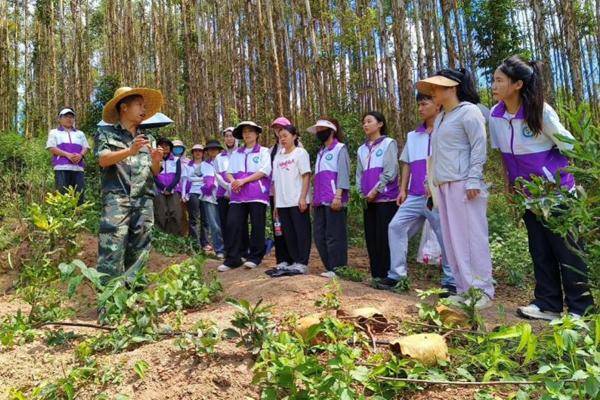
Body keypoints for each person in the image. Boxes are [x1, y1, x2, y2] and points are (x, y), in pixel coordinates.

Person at [489, 55, 594, 319]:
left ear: (517, 85)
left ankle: (582, 308)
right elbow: (504, 156)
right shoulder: (496, 115)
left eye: (499, 80)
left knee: (568, 252)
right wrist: (510, 188)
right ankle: (548, 304)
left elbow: (570, 146)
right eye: (493, 80)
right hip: (528, 197)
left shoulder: (540, 111)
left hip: (557, 195)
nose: (493, 85)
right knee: (540, 250)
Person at [416, 68, 494, 309]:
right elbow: (438, 154)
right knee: (452, 240)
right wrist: (433, 182)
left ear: (452, 88)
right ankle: (463, 289)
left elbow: (479, 147)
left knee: (471, 238)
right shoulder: (441, 117)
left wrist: (473, 180)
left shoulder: (469, 112)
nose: (433, 93)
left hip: (464, 184)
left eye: (437, 88)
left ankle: (481, 291)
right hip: (445, 184)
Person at [377, 94, 456, 294]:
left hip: (437, 196)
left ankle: (451, 280)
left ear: (438, 104)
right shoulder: (414, 136)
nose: (420, 108)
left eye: (424, 104)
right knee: (396, 226)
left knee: (444, 234)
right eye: (418, 104)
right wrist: (403, 189)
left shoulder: (447, 129)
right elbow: (407, 164)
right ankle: (397, 276)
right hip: (415, 194)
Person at [94, 86, 164, 282]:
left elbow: (154, 171)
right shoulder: (106, 133)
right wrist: (129, 151)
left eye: (144, 106)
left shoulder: (148, 138)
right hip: (117, 201)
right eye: (139, 105)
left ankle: (134, 297)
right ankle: (110, 303)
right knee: (112, 249)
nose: (143, 110)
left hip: (144, 201)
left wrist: (157, 160)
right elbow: (103, 159)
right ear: (124, 107)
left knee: (141, 250)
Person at [218, 121, 271, 271]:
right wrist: (233, 181)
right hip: (238, 195)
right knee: (233, 223)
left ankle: (255, 257)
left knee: (257, 225)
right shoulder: (236, 153)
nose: (247, 134)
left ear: (256, 134)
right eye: (244, 132)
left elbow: (264, 171)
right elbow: (228, 172)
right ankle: (233, 258)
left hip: (256, 194)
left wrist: (244, 180)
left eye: (250, 131)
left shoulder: (264, 151)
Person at [356, 111, 399, 281]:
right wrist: (361, 192)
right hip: (368, 200)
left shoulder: (388, 143)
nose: (365, 125)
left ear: (380, 124)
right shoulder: (361, 149)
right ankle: (376, 275)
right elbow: (359, 174)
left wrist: (377, 189)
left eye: (369, 121)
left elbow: (391, 171)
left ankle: (389, 275)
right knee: (371, 237)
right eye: (363, 122)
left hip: (385, 198)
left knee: (384, 237)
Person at [307, 118, 350, 278]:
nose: (319, 133)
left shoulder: (340, 148)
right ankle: (330, 267)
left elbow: (343, 173)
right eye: (317, 131)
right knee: (319, 235)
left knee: (335, 235)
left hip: (334, 199)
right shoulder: (321, 152)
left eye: (322, 130)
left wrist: (338, 195)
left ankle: (338, 269)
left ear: (331, 131)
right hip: (319, 200)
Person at [267, 125, 312, 277]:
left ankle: (302, 262)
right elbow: (276, 181)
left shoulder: (300, 153)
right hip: (282, 201)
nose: (283, 139)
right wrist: (276, 204)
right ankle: (293, 261)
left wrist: (303, 197)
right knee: (287, 233)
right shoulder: (278, 156)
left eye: (285, 135)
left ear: (294, 136)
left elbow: (306, 175)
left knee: (301, 231)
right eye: (280, 136)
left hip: (297, 200)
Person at [46, 107, 90, 204]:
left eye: (71, 117)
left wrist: (81, 155)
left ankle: (78, 216)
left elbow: (86, 147)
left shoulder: (80, 133)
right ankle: (64, 217)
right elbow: (51, 147)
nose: (69, 119)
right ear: (59, 119)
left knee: (79, 195)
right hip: (62, 168)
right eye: (66, 116)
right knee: (62, 195)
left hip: (78, 168)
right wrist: (67, 155)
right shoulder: (54, 132)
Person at [268, 117, 294, 269]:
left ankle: (293, 258)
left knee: (291, 226)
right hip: (275, 194)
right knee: (278, 226)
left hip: (291, 194)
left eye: (281, 127)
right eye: (276, 128)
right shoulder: (272, 151)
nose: (279, 131)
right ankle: (281, 258)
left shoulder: (297, 147)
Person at [197, 140, 226, 259]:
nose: (212, 151)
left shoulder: (225, 161)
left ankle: (230, 247)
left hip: (224, 195)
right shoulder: (203, 165)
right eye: (210, 149)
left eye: (215, 149)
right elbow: (191, 176)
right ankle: (219, 249)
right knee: (214, 225)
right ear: (207, 152)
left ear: (219, 150)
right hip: (209, 197)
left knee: (226, 223)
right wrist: (203, 186)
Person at [153, 137, 184, 235]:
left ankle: (175, 236)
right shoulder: (155, 160)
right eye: (161, 145)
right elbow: (153, 175)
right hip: (159, 190)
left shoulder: (176, 159)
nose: (164, 147)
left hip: (173, 189)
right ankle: (163, 236)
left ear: (170, 148)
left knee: (175, 212)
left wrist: (170, 187)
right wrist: (163, 188)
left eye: (167, 145)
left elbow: (178, 175)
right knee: (161, 212)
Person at [182, 144, 210, 251]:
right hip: (193, 193)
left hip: (205, 193)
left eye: (200, 151)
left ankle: (205, 242)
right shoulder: (188, 166)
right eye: (195, 151)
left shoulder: (207, 165)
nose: (198, 153)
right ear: (192, 153)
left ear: (203, 153)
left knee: (205, 218)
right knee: (193, 218)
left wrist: (193, 179)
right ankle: (194, 242)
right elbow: (185, 180)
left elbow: (208, 179)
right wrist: (184, 194)